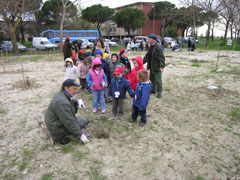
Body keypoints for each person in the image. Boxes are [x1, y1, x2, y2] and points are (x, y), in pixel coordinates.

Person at [44, 79, 89, 145]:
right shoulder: (62, 102)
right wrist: (80, 134)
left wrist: (77, 101)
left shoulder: (62, 94)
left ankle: (60, 134)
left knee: (83, 121)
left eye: (76, 89)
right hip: (56, 127)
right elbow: (69, 122)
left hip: (55, 122)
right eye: (74, 89)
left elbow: (69, 100)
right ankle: (58, 136)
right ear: (66, 88)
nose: (76, 91)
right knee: (83, 122)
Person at [143, 34, 165, 98]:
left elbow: (162, 58)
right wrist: (141, 62)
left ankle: (159, 92)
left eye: (149, 39)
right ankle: (153, 90)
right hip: (151, 66)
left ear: (153, 40)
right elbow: (147, 56)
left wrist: (161, 67)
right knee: (152, 79)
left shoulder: (158, 48)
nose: (148, 40)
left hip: (157, 67)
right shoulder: (150, 47)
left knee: (158, 80)